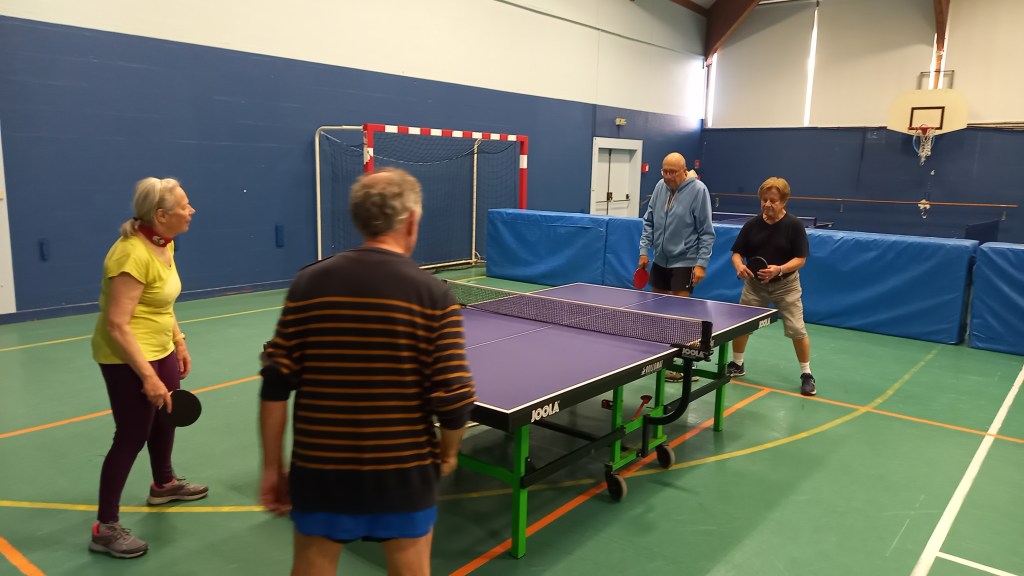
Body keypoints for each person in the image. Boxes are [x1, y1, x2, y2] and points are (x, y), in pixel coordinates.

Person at [259, 167, 477, 576]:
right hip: (404, 473)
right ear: (410, 221)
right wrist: (448, 454)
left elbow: (275, 385)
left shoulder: (308, 283)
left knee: (312, 565)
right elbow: (454, 396)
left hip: (320, 470)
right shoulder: (434, 294)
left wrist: (272, 468)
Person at [89, 177, 206, 559]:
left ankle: (163, 485)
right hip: (126, 354)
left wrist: (179, 341)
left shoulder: (163, 243)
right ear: (161, 215)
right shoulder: (130, 255)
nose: (191, 210)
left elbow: (162, 302)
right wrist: (148, 377)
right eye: (184, 206)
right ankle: (105, 527)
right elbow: (116, 324)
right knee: (132, 434)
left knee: (167, 417)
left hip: (160, 347)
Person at [727, 176, 816, 396]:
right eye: (764, 200)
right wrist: (739, 266)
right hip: (755, 285)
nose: (767, 204)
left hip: (786, 285)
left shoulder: (794, 226)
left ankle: (806, 374)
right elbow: (737, 253)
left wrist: (779, 269)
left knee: (797, 329)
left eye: (773, 201)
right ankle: (737, 364)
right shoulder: (751, 225)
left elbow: (801, 259)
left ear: (784, 202)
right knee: (741, 325)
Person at [638, 152, 715, 381]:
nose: (668, 176)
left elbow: (706, 232)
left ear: (684, 171)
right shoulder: (660, 187)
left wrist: (701, 264)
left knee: (679, 314)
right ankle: (660, 358)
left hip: (685, 260)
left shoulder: (699, 191)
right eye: (664, 171)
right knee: (659, 311)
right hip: (660, 259)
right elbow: (649, 221)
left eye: (672, 172)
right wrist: (644, 251)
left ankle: (684, 364)